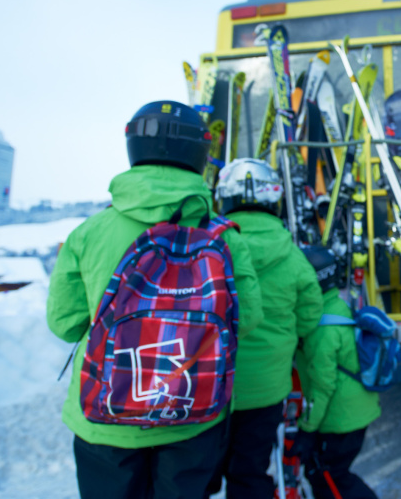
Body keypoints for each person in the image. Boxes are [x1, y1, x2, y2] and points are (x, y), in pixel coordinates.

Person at [46, 100, 263, 499]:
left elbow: (65, 324)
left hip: (104, 418)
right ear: (200, 154)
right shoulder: (224, 237)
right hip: (193, 415)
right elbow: (245, 319)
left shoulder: (89, 232)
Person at [208, 158, 324, 498]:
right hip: (267, 389)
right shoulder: (291, 256)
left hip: (210, 387)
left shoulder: (211, 245)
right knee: (250, 472)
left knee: (197, 475)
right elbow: (310, 314)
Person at [291, 245, 381, 499]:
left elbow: (322, 385)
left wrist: (307, 430)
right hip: (355, 411)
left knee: (328, 477)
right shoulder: (338, 308)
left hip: (341, 419)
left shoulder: (321, 328)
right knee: (329, 474)